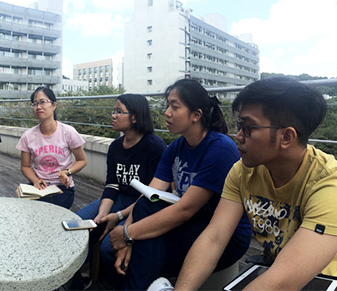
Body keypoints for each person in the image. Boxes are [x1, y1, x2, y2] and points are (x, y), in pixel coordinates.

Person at [175, 77, 337, 290]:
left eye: (248, 127)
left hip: (329, 280)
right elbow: (214, 238)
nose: (238, 136)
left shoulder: (330, 184)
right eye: (239, 125)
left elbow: (283, 280)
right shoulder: (243, 171)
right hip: (273, 266)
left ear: (286, 137)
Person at [103, 79, 252, 290]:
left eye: (174, 106)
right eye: (167, 106)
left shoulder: (220, 149)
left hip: (226, 235)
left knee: (140, 251)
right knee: (144, 212)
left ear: (196, 115)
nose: (166, 112)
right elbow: (149, 195)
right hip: (191, 223)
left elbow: (185, 210)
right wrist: (127, 232)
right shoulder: (175, 148)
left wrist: (128, 234)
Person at [74, 94, 166, 278]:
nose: (113, 116)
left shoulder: (155, 147)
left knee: (110, 246)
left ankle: (106, 277)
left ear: (135, 117)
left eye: (119, 111)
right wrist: (102, 213)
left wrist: (118, 216)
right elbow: (112, 185)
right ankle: (84, 270)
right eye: (113, 111)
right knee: (77, 223)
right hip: (119, 198)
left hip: (143, 205)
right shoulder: (116, 146)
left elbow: (152, 194)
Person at [15, 86, 87, 209]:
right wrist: (35, 180)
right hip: (38, 186)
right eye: (35, 103)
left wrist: (67, 172)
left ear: (54, 105)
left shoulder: (68, 132)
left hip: (62, 187)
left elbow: (82, 160)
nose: (38, 107)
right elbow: (25, 166)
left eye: (43, 102)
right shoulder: (28, 135)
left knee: (51, 211)